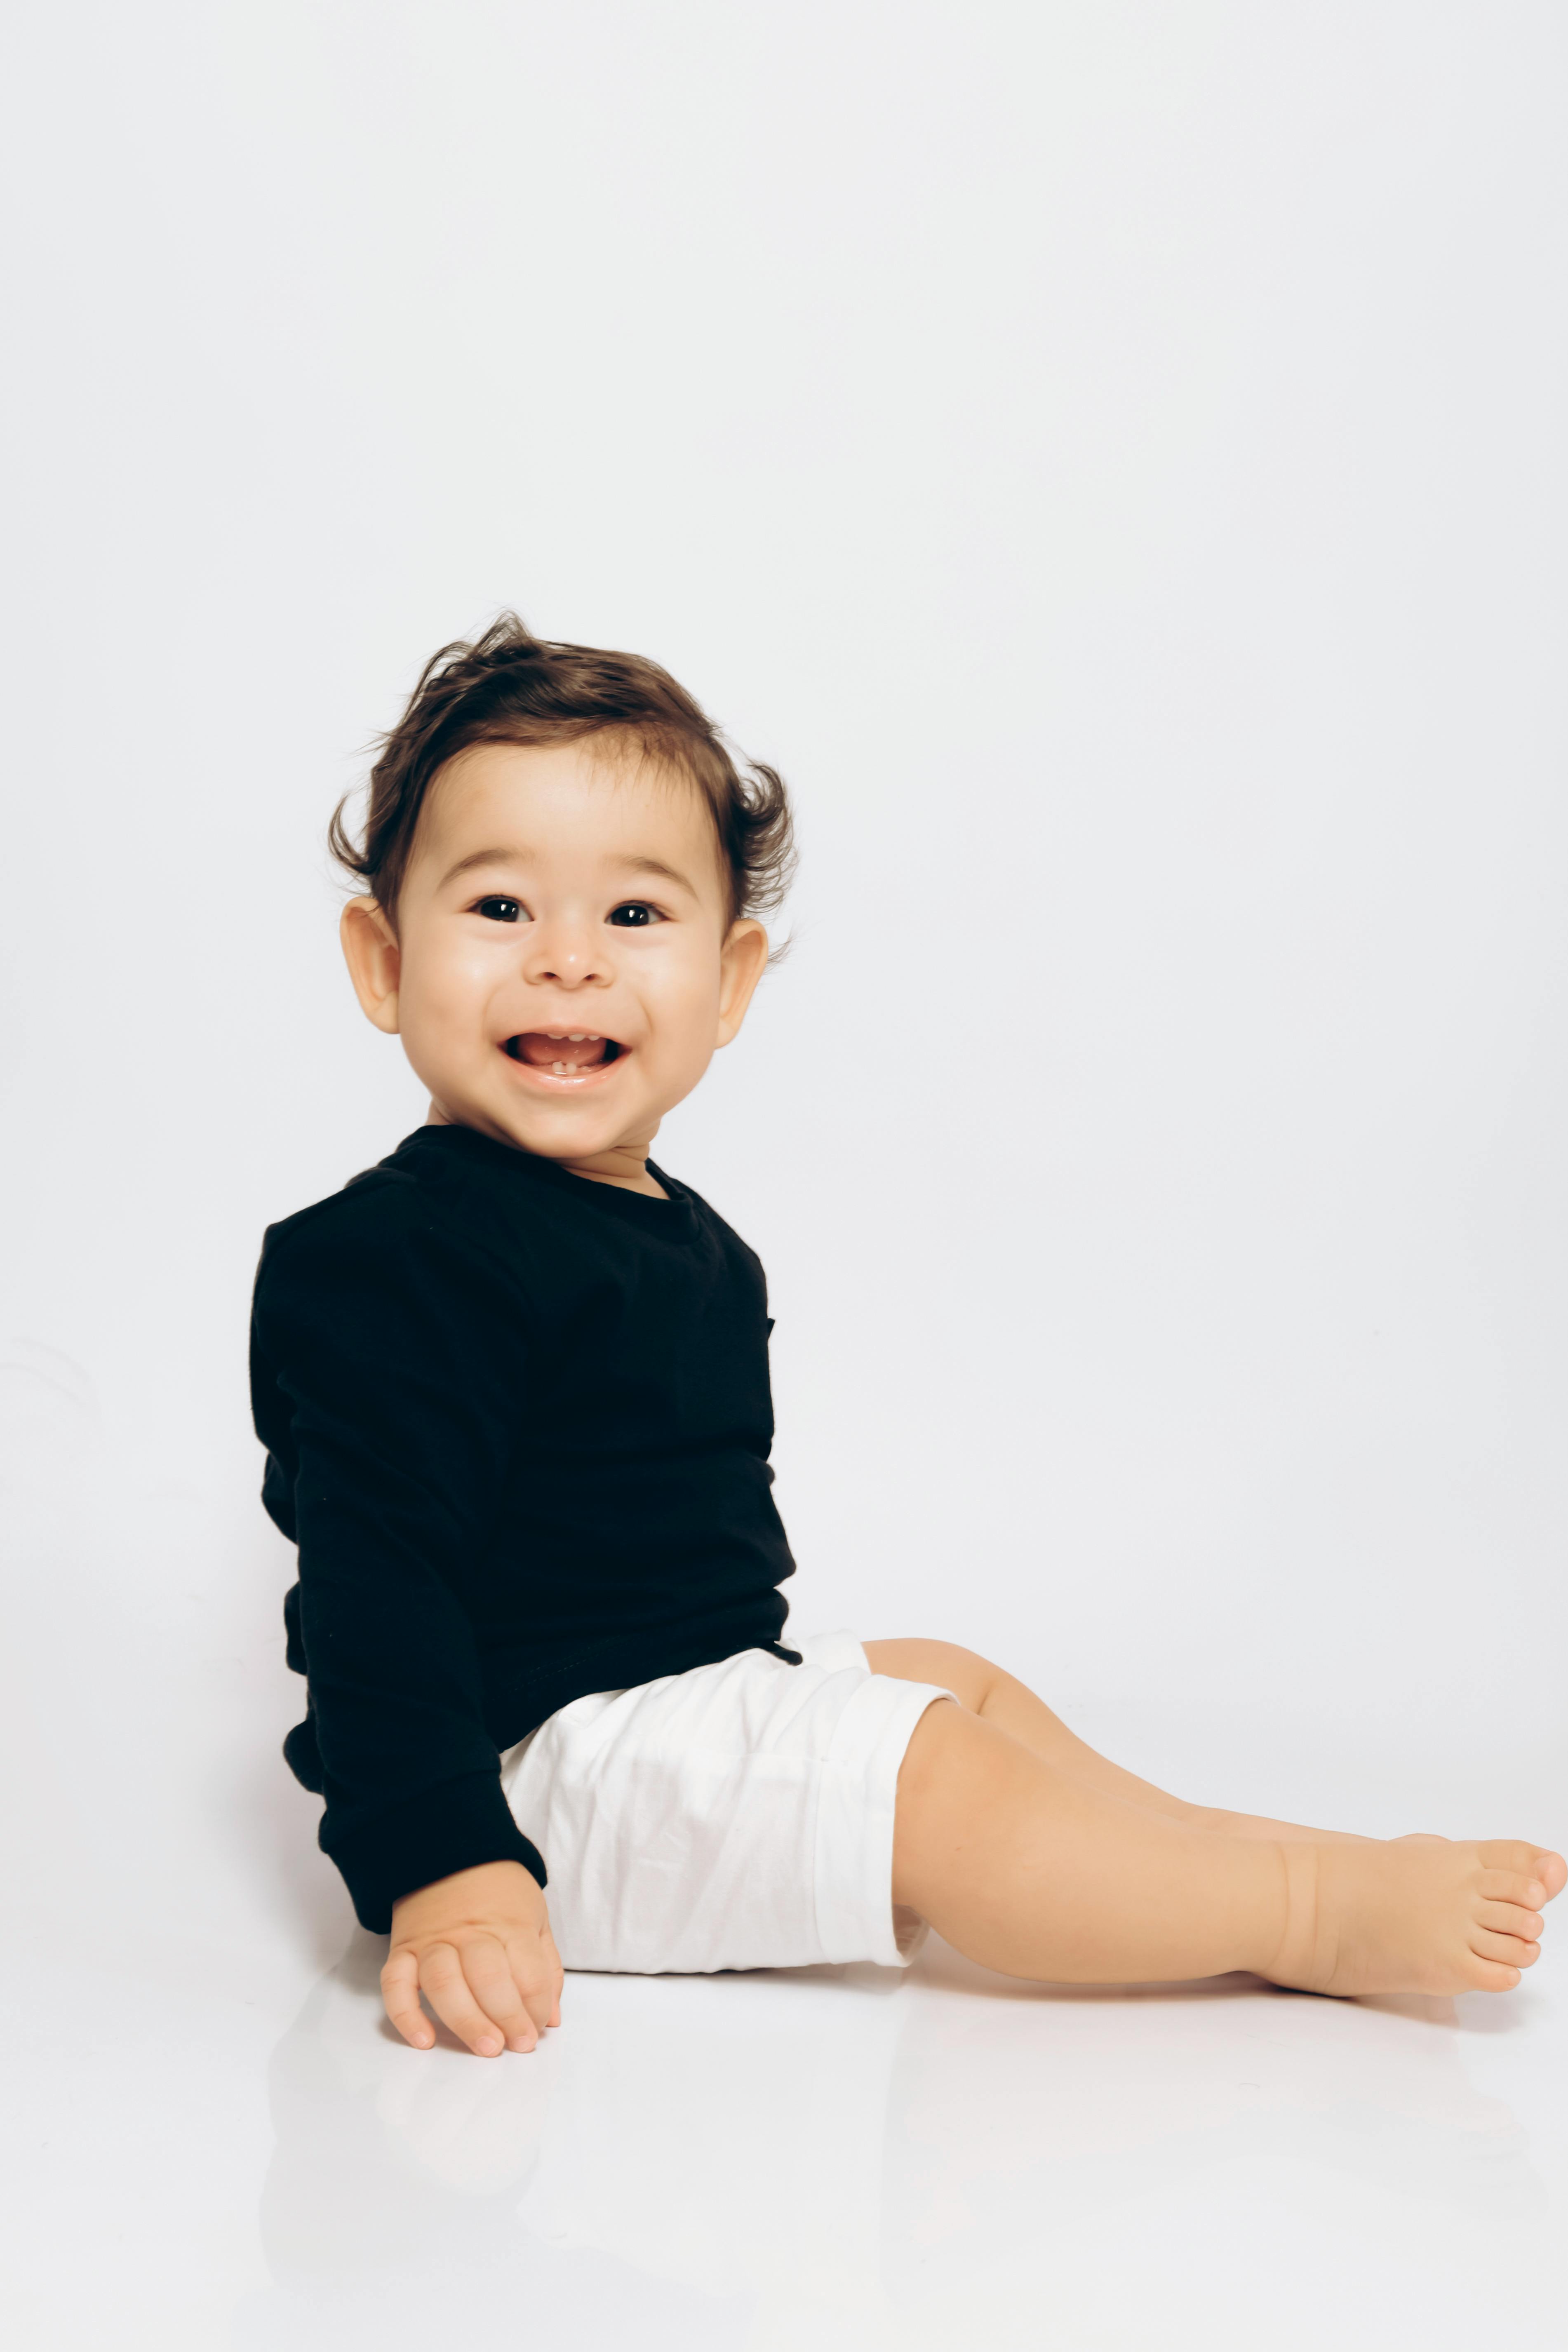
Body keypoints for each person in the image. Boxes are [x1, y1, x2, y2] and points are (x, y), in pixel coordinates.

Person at [250, 615, 1563, 2060]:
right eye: (500, 907)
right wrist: (447, 1866)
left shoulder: (693, 1244)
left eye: (632, 915)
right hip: (518, 1781)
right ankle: (1298, 1910)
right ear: (383, 962)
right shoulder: (392, 1259)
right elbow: (378, 1587)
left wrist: (781, 1709)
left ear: (729, 981)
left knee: (948, 1676)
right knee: (934, 1777)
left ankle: (1210, 1856)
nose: (568, 960)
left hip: (668, 1706)